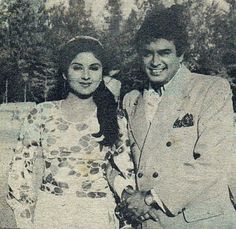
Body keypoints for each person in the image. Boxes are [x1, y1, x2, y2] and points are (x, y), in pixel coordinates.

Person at [117, 5, 236, 229]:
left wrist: (150, 198)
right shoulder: (131, 100)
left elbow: (213, 161)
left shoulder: (211, 90)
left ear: (180, 54)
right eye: (147, 53)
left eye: (164, 53)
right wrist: (129, 197)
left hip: (200, 221)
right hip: (149, 222)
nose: (154, 62)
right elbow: (120, 159)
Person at [6, 36, 134, 229]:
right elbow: (20, 173)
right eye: (77, 67)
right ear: (65, 73)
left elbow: (126, 172)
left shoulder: (114, 117)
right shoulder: (42, 113)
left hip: (97, 215)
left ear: (102, 73)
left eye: (94, 68)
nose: (86, 76)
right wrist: (26, 220)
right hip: (51, 214)